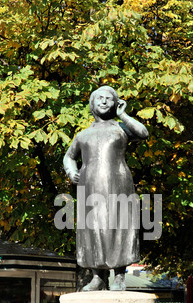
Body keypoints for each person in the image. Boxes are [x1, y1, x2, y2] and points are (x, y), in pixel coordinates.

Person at [63, 86, 149, 291]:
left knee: (119, 226)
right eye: (99, 98)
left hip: (118, 184)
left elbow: (143, 133)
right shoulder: (83, 135)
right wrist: (70, 171)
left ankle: (119, 276)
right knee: (92, 229)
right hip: (90, 186)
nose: (103, 101)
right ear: (92, 104)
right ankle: (97, 277)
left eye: (109, 99)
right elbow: (68, 156)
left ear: (116, 103)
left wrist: (124, 115)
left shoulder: (121, 128)